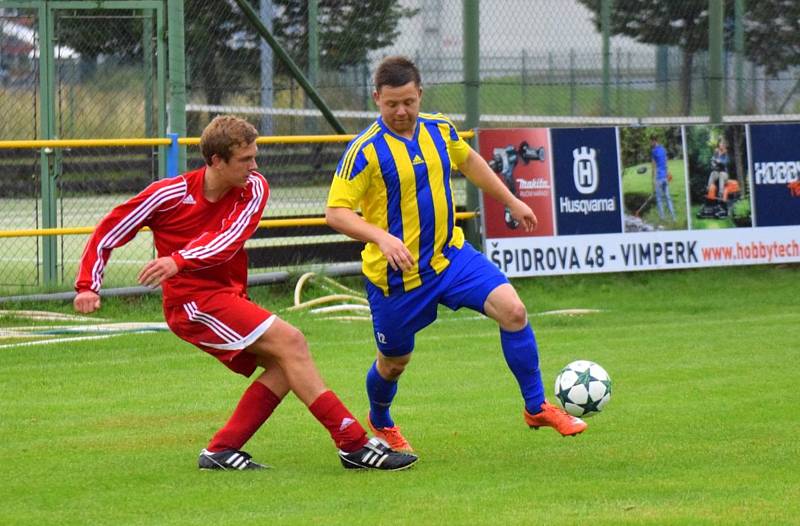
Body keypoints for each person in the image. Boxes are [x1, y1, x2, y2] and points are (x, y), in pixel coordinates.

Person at [73, 115, 417, 471]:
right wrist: (87, 285)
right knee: (293, 343)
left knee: (286, 366)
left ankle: (221, 450)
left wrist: (178, 259)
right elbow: (111, 228)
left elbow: (228, 240)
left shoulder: (254, 188)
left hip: (227, 297)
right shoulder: (169, 194)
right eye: (245, 159)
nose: (254, 166)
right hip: (192, 304)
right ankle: (354, 444)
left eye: (255, 156)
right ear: (216, 161)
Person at [325, 56, 587, 453]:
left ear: (420, 94)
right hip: (398, 276)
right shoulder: (364, 151)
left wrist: (512, 201)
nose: (401, 111)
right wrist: (381, 237)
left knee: (513, 311)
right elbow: (336, 212)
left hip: (452, 258)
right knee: (393, 363)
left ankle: (536, 407)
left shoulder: (439, 128)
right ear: (376, 98)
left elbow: (470, 162)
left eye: (409, 102)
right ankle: (380, 419)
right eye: (392, 103)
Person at [650, 135, 676, 222]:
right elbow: (666, 163)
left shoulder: (653, 151)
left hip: (659, 178)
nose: (650, 143)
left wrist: (653, 180)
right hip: (665, 177)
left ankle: (662, 218)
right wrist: (667, 173)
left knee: (659, 198)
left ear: (654, 141)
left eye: (651, 141)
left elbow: (653, 166)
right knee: (668, 198)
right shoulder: (664, 149)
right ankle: (674, 218)